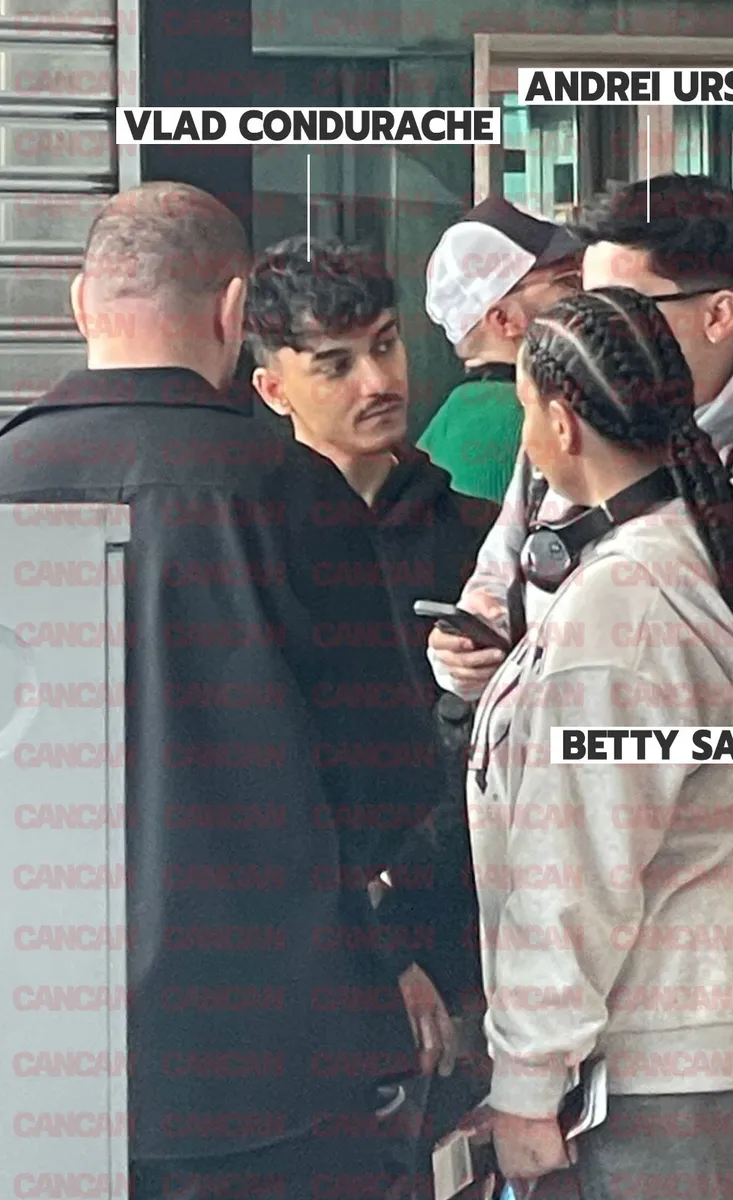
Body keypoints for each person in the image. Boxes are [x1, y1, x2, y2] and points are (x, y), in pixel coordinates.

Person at [0, 183, 416, 1198]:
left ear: (81, 304)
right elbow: (389, 783)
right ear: (234, 311)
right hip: (268, 1065)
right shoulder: (297, 497)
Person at [466, 289, 733, 1200]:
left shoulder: (619, 606)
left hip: (654, 1051)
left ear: (562, 422)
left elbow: (574, 868)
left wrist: (527, 1083)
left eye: (524, 411)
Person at [244, 236, 500, 1190]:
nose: (378, 381)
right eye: (336, 364)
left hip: (487, 939)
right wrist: (383, 946)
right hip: (326, 966)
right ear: (274, 388)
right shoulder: (251, 550)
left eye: (387, 345)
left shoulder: (477, 537)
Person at [428, 174, 733, 703]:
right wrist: (464, 650)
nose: (596, 331)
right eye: (585, 302)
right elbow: (497, 582)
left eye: (624, 307)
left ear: (718, 315)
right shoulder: (572, 423)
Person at [417, 197, 583, 504]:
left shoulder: (445, 421)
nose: (585, 293)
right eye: (569, 281)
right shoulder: (545, 420)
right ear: (504, 320)